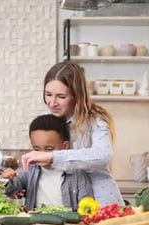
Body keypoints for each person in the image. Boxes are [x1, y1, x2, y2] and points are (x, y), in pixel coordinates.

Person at [20, 61, 124, 207]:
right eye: (48, 95)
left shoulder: (96, 121)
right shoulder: (51, 124)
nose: (52, 103)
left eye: (61, 97)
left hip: (100, 201)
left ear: (77, 95)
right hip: (70, 205)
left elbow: (103, 155)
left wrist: (53, 156)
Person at [0, 114, 92, 211]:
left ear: (64, 146)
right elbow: (10, 188)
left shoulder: (77, 174)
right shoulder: (29, 169)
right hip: (36, 224)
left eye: (49, 149)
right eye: (36, 149)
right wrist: (5, 180)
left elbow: (86, 207)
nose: (41, 154)